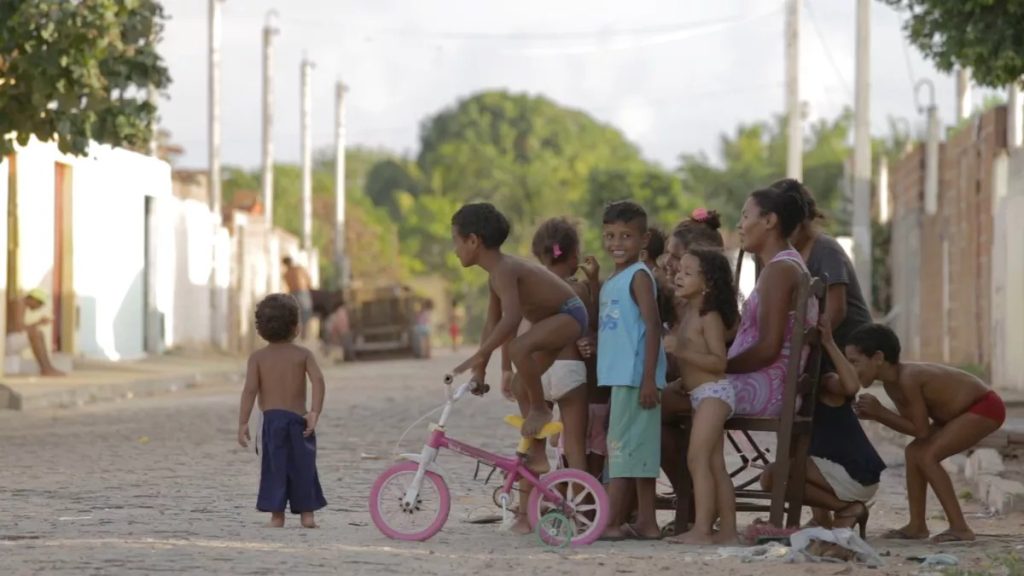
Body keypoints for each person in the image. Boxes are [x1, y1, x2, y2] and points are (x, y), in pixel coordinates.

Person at [847, 324, 1005, 543]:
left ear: (878, 358)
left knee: (927, 455)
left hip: (984, 407)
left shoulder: (909, 378)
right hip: (956, 415)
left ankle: (960, 527)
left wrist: (880, 413)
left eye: (854, 362)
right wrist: (878, 415)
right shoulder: (891, 385)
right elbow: (914, 427)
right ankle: (917, 525)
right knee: (913, 452)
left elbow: (920, 430)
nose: (850, 369)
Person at [449, 203, 588, 448]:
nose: (454, 250)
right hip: (550, 321)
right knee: (518, 385)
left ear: (473, 241)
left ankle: (540, 409)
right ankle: (535, 454)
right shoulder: (495, 276)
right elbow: (492, 323)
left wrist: (480, 355)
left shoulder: (505, 269)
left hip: (569, 315)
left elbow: (511, 319)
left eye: (456, 241)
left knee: (517, 348)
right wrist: (479, 368)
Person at [784, 178, 877, 529]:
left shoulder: (826, 249)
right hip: (816, 343)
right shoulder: (790, 254)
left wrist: (808, 344)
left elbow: (834, 312)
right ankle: (822, 512)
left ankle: (840, 504)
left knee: (819, 411)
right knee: (807, 421)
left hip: (843, 343)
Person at [503, 217, 593, 534]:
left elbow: (510, 328)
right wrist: (594, 284)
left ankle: (525, 518)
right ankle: (580, 516)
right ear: (573, 256)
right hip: (569, 371)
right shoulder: (577, 288)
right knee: (575, 448)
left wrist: (505, 370)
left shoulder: (530, 289)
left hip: (536, 375)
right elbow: (588, 325)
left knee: (532, 443)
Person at [760, 313, 885, 535]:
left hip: (853, 473)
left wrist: (828, 341)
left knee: (772, 475)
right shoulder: (795, 397)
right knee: (789, 466)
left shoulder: (826, 383)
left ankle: (848, 509)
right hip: (838, 473)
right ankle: (827, 517)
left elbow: (851, 386)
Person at [596, 201, 667, 541]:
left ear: (644, 239)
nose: (617, 243)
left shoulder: (639, 276)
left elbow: (654, 328)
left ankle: (610, 523)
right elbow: (624, 328)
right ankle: (647, 523)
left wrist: (649, 379)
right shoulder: (615, 278)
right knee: (636, 450)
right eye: (610, 235)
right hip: (621, 377)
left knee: (621, 451)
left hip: (636, 378)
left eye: (626, 235)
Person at [663, 248, 740, 545]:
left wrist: (680, 349)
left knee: (697, 459)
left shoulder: (710, 316)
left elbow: (719, 362)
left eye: (687, 272)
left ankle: (703, 529)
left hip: (714, 394)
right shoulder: (689, 313)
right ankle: (729, 532)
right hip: (699, 394)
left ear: (707, 282)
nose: (679, 276)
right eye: (679, 270)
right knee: (715, 464)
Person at [727, 181, 818, 418]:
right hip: (765, 384)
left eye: (745, 216)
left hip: (763, 389)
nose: (739, 225)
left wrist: (720, 367)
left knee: (666, 399)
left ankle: (699, 457)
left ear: (769, 221)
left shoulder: (779, 271)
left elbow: (768, 348)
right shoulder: (788, 265)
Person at [237, 293, 327, 528]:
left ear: (260, 330)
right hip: (300, 421)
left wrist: (243, 422)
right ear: (297, 328)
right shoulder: (303, 355)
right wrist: (314, 411)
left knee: (274, 468)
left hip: (272, 422)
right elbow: (318, 381)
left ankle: (277, 517)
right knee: (304, 468)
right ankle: (308, 516)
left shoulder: (257, 358)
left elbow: (249, 390)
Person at [786, 179, 872, 369]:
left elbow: (836, 312)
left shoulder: (825, 249)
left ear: (799, 223)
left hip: (846, 346)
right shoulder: (785, 255)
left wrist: (803, 346)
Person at [5, 289, 64, 377]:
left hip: (6, 340)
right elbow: (18, 328)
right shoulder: (19, 303)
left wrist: (38, 323)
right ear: (34, 299)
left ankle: (47, 368)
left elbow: (16, 327)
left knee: (36, 333)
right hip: (5, 341)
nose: (39, 308)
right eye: (40, 304)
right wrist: (39, 322)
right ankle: (46, 368)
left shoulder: (18, 302)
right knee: (36, 334)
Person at [282, 257, 314, 338]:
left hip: (295, 293)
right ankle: (303, 333)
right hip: (302, 292)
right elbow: (308, 279)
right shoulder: (298, 269)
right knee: (305, 312)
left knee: (298, 313)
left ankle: (299, 333)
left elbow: (288, 285)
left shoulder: (286, 273)